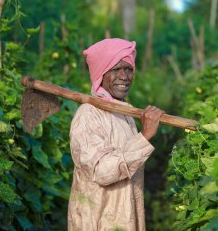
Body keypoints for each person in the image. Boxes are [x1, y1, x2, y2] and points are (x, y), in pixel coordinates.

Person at [68, 38, 164, 231]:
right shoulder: (88, 115)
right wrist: (144, 137)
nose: (124, 76)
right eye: (115, 69)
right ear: (100, 74)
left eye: (128, 69)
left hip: (123, 219)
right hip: (98, 221)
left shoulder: (124, 113)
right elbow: (101, 171)